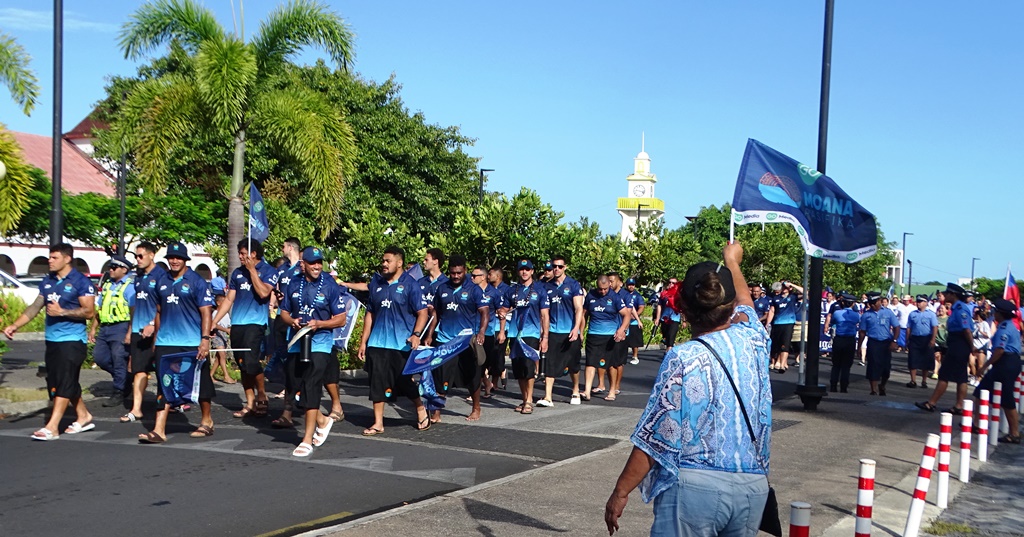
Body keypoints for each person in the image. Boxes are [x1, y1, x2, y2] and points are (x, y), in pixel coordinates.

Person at [605, 242, 771, 536]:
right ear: (730, 307)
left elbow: (659, 436)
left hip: (696, 488)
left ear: (683, 311)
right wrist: (732, 262)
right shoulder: (754, 338)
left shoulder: (684, 357)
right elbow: (746, 301)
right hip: (752, 486)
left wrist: (621, 491)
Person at [4, 243, 97, 441]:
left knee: (64, 380)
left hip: (72, 340)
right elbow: (34, 307)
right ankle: (83, 416)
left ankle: (52, 427)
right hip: (52, 340)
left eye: (54, 257)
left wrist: (62, 311)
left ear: (67, 259)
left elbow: (89, 312)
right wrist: (15, 325)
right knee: (58, 382)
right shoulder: (48, 281)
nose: (50, 261)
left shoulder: (81, 282)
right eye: (50, 257)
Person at [137, 242, 215, 443]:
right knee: (164, 384)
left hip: (191, 341)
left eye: (178, 258)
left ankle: (207, 420)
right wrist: (156, 340)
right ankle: (158, 430)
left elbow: (206, 312)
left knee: (200, 382)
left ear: (185, 260)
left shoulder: (196, 281)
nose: (174, 261)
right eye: (171, 257)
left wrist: (204, 340)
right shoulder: (161, 281)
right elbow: (159, 312)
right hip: (166, 341)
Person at [278, 246, 348, 457]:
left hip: (320, 341)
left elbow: (341, 318)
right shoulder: (293, 282)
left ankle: (306, 439)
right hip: (298, 340)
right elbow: (283, 311)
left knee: (312, 384)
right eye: (312, 263)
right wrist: (293, 321)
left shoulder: (330, 285)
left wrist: (320, 323)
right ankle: (322, 420)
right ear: (303, 264)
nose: (317, 266)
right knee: (295, 385)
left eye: (319, 262)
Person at [357, 246, 431, 435]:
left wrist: (416, 334)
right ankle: (378, 423)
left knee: (404, 381)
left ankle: (420, 408)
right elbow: (370, 314)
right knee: (377, 382)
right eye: (383, 260)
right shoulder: (377, 284)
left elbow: (422, 313)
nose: (384, 264)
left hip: (401, 343)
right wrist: (364, 341)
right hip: (377, 343)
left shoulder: (411, 285)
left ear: (399, 263)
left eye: (388, 261)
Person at [212, 239, 278, 419]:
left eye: (243, 253)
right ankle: (249, 402)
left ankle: (262, 395)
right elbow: (228, 300)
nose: (240, 257)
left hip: (256, 323)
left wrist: (252, 271)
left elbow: (264, 293)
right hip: (238, 324)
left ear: (253, 254)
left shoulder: (268, 271)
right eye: (239, 253)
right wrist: (214, 320)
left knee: (251, 361)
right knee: (242, 364)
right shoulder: (237, 273)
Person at [427, 254, 489, 422]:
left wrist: (481, 332)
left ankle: (476, 407)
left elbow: (484, 313)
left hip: (466, 341)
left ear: (465, 271)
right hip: (445, 340)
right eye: (453, 273)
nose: (455, 276)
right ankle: (437, 411)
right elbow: (436, 314)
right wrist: (430, 334)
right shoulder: (442, 288)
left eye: (459, 273)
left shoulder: (474, 289)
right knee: (440, 377)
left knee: (472, 376)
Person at [120, 242, 168, 423]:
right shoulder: (138, 278)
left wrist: (152, 325)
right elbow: (136, 306)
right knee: (138, 370)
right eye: (136, 256)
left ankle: (167, 404)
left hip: (158, 331)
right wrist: (131, 329)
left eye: (141, 256)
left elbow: (165, 306)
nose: (137, 260)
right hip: (139, 331)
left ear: (151, 255)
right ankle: (136, 409)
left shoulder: (162, 276)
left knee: (161, 370)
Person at [497, 258, 550, 415]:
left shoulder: (540, 290)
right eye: (521, 269)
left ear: (532, 271)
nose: (524, 272)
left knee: (528, 367)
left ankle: (529, 400)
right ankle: (524, 397)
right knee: (519, 368)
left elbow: (545, 315)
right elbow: (504, 311)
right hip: (515, 333)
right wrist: (501, 320)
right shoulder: (511, 290)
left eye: (527, 269)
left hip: (531, 333)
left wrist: (545, 337)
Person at [916, 283, 973, 414]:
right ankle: (958, 406)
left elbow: (966, 329)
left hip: (959, 343)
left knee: (945, 374)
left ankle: (932, 403)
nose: (945, 295)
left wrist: (972, 347)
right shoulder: (956, 308)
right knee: (960, 376)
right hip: (956, 342)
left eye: (947, 293)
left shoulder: (960, 309)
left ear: (953, 295)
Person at [89, 254, 136, 408]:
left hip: (121, 327)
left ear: (124, 269)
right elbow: (100, 308)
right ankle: (125, 379)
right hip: (105, 327)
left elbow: (133, 311)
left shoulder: (129, 286)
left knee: (118, 359)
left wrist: (130, 332)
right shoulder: (108, 285)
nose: (110, 270)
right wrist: (93, 328)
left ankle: (119, 392)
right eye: (110, 267)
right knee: (100, 357)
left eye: (114, 267)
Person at [538, 255, 585, 406]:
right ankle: (548, 397)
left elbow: (579, 309)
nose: (556, 269)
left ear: (565, 267)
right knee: (550, 363)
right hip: (553, 331)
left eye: (559, 266)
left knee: (573, 364)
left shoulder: (573, 285)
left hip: (570, 331)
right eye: (554, 266)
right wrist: (542, 333)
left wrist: (576, 328)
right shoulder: (546, 286)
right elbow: (543, 312)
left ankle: (576, 390)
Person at [974, 299, 1021, 443]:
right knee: (981, 392)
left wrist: (984, 366)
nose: (993, 313)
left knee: (1006, 398)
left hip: (1006, 363)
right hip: (1005, 363)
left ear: (1000, 313)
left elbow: (999, 351)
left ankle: (1014, 433)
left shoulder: (1005, 328)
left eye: (995, 311)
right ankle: (977, 424)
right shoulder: (1006, 325)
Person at [581, 274, 630, 402]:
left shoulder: (615, 297)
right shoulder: (591, 295)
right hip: (593, 334)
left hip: (610, 336)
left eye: (605, 289)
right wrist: (581, 331)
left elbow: (627, 315)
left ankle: (612, 390)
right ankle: (587, 391)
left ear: (609, 284)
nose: (602, 291)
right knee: (590, 362)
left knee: (611, 365)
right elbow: (584, 315)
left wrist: (621, 330)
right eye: (600, 289)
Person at [858, 292, 899, 395]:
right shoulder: (866, 315)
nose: (872, 305)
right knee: (873, 365)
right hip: (873, 342)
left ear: (879, 302)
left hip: (886, 343)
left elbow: (896, 327)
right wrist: (859, 347)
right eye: (870, 303)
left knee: (886, 368)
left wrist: (894, 341)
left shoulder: (888, 313)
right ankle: (873, 389)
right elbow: (862, 332)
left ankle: (882, 385)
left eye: (874, 303)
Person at [483, 266, 511, 393]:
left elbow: (510, 306)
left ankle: (494, 382)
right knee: (488, 356)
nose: (488, 276)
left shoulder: (507, 290)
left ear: (498, 276)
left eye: (490, 274)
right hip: (488, 327)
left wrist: (502, 330)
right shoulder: (486, 289)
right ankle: (489, 379)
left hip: (501, 326)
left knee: (498, 355)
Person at [766, 280, 803, 373]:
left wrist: (792, 285)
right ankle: (775, 362)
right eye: (783, 287)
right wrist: (768, 323)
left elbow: (805, 292)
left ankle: (782, 365)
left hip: (788, 323)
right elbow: (772, 311)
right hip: (777, 323)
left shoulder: (793, 297)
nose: (785, 288)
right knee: (776, 345)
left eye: (786, 287)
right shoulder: (775, 298)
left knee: (785, 345)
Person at [829, 292, 860, 393]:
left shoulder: (837, 313)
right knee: (846, 365)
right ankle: (844, 387)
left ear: (843, 303)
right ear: (852, 304)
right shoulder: (856, 315)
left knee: (836, 364)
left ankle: (833, 385)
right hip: (850, 340)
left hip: (839, 339)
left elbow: (833, 322)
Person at [906, 295, 938, 388]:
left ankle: (924, 381)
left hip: (926, 338)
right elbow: (909, 327)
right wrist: (907, 340)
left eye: (920, 302)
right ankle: (913, 381)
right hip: (915, 338)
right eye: (918, 302)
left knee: (926, 361)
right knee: (913, 360)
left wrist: (933, 339)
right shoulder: (912, 314)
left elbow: (934, 327)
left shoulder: (931, 314)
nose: (918, 303)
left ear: (926, 303)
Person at [209, 285, 234, 384]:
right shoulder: (215, 313)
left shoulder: (226, 314)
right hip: (217, 335)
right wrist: (226, 330)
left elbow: (228, 325)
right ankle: (226, 376)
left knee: (219, 358)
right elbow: (215, 325)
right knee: (222, 355)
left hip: (224, 335)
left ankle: (210, 374)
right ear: (218, 303)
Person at [625, 278, 646, 365]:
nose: (631, 286)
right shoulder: (623, 294)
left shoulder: (637, 296)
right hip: (624, 320)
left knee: (634, 341)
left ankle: (635, 356)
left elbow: (641, 306)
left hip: (634, 321)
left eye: (632, 285)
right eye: (629, 285)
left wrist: (635, 315)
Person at [969, 307, 992, 386]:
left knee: (980, 364)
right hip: (974, 345)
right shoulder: (974, 324)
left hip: (982, 346)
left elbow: (988, 335)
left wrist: (980, 331)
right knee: (971, 362)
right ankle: (974, 376)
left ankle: (979, 378)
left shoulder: (985, 324)